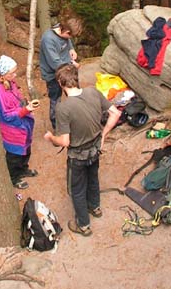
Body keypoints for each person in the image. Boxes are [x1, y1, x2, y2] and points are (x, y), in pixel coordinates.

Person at [43, 64, 121, 237]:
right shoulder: (93, 92)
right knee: (93, 177)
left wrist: (50, 138)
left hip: (77, 156)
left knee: (76, 189)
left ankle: (83, 224)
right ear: (76, 79)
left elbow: (64, 141)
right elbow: (115, 113)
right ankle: (95, 207)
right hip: (95, 149)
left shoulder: (63, 108)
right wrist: (103, 135)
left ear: (60, 83)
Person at [0, 55, 40, 190]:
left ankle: (23, 169)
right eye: (12, 73)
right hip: (12, 129)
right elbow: (6, 115)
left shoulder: (11, 83)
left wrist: (26, 105)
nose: (15, 74)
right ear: (3, 73)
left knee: (26, 149)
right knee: (14, 155)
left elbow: (17, 99)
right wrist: (26, 110)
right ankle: (13, 177)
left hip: (23, 125)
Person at [39, 15, 83, 129]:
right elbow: (55, 63)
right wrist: (73, 65)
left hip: (68, 69)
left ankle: (77, 119)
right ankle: (57, 126)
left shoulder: (63, 28)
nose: (70, 38)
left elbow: (68, 40)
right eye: (70, 36)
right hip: (53, 75)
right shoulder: (48, 39)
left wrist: (71, 48)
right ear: (66, 31)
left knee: (74, 94)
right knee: (55, 100)